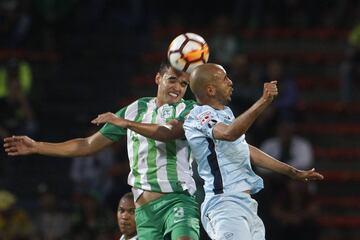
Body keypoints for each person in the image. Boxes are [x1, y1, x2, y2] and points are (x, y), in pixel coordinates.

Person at [4, 61, 200, 240]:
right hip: (144, 210)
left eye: (184, 84)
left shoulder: (189, 109)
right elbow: (87, 145)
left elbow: (169, 132)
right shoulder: (136, 109)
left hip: (178, 199)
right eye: (172, 80)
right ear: (158, 78)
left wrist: (125, 124)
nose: (177, 88)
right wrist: (37, 146)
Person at [182, 63, 324, 240]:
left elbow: (245, 149)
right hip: (224, 205)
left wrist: (291, 172)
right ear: (210, 90)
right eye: (225, 78)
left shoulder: (225, 114)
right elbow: (229, 133)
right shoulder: (199, 115)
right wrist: (264, 101)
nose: (231, 82)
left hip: (246, 204)